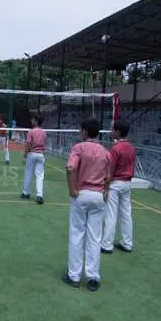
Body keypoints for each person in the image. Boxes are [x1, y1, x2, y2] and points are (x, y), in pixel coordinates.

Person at [63, 118, 108, 291]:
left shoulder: (79, 148)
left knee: (77, 235)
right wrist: (107, 190)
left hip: (82, 194)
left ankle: (74, 275)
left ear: (84, 131)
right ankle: (93, 276)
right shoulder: (105, 152)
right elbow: (109, 176)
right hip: (98, 195)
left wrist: (71, 188)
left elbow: (70, 168)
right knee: (95, 238)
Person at [101, 120, 137, 254]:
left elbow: (110, 170)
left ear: (118, 131)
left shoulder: (116, 148)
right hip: (127, 183)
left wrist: (106, 187)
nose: (111, 132)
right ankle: (127, 243)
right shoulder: (131, 147)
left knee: (111, 214)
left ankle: (107, 244)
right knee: (126, 214)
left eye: (112, 130)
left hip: (116, 183)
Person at [21, 115, 47, 205]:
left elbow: (28, 144)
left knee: (28, 173)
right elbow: (44, 146)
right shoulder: (44, 133)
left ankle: (25, 193)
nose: (31, 121)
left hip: (32, 154)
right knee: (40, 176)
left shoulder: (31, 131)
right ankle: (39, 195)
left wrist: (24, 156)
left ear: (36, 121)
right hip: (40, 155)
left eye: (32, 119)